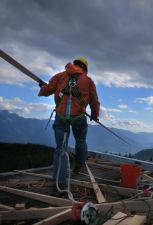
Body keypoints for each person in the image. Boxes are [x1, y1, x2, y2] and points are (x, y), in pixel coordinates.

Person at [38, 57, 100, 185]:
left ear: (75, 64)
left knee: (60, 148)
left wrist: (43, 87)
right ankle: (79, 165)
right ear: (85, 68)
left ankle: (59, 180)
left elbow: (46, 91)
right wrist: (94, 115)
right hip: (79, 116)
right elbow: (94, 101)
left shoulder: (60, 76)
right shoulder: (88, 81)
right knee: (81, 140)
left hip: (61, 116)